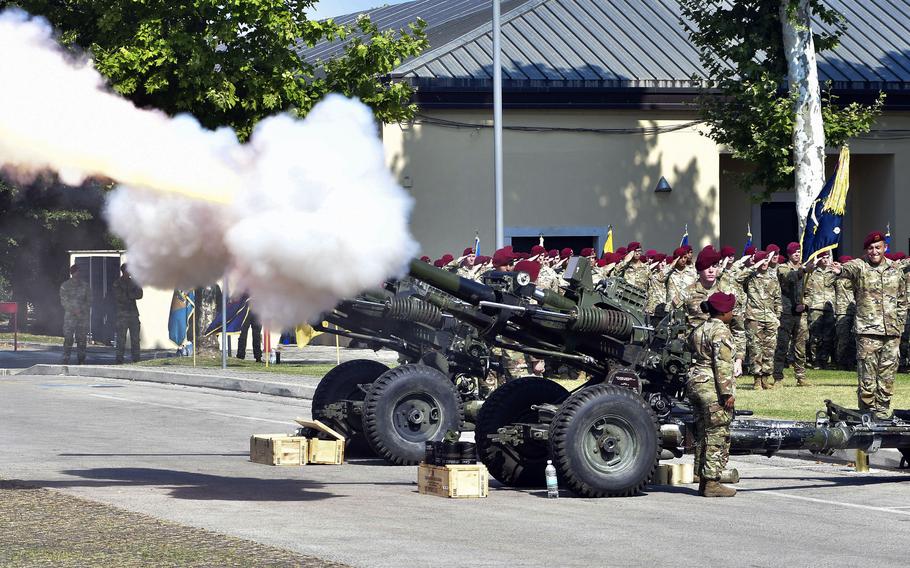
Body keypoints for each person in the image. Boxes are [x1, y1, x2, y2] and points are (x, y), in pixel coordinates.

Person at [831, 232, 908, 419]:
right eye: (871, 248)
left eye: (878, 247)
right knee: (867, 379)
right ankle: (866, 414)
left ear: (885, 248)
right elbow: (847, 269)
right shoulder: (860, 266)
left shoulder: (895, 269)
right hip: (868, 332)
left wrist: (899, 325)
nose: (874, 251)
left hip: (891, 332)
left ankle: (881, 413)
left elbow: (902, 300)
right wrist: (839, 270)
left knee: (887, 377)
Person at [687, 291, 738, 498]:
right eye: (731, 310)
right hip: (711, 387)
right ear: (724, 312)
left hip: (695, 383)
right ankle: (712, 482)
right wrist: (727, 393)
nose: (733, 314)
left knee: (702, 433)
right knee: (717, 433)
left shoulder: (699, 328)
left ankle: (702, 478)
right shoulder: (721, 332)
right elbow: (723, 364)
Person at [741, 251, 781, 389]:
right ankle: (757, 379)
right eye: (762, 261)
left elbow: (778, 299)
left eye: (766, 261)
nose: (764, 264)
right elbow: (736, 278)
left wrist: (778, 316)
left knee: (769, 349)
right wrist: (753, 266)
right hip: (754, 317)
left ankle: (765, 378)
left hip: (770, 318)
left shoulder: (773, 277)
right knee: (755, 349)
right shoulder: (750, 277)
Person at [773, 242, 811, 386]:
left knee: (800, 346)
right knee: (782, 345)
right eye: (794, 252)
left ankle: (800, 376)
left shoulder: (806, 269)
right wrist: (804, 270)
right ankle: (778, 377)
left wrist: (805, 305)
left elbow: (810, 290)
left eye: (798, 251)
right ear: (789, 254)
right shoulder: (783, 267)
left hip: (800, 314)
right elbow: (790, 277)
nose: (797, 254)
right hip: (786, 311)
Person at [805, 251, 837, 368]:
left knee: (828, 336)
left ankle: (824, 360)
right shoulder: (812, 272)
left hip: (829, 307)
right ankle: (815, 360)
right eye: (822, 257)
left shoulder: (833, 273)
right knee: (815, 335)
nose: (825, 260)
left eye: (827, 257)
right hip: (815, 307)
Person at [111, 263, 144, 363]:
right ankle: (119, 359)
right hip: (122, 315)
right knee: (121, 339)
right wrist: (130, 294)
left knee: (135, 339)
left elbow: (140, 294)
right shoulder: (117, 283)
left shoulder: (134, 282)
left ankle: (136, 359)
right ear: (124, 271)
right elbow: (119, 297)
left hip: (133, 315)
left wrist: (129, 294)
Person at [59, 264, 91, 365]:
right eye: (76, 271)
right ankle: (65, 358)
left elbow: (89, 300)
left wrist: (81, 309)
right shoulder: (65, 286)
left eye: (79, 271)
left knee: (81, 339)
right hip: (70, 317)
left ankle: (81, 359)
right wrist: (74, 310)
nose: (78, 273)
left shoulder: (85, 286)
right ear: (72, 273)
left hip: (82, 317)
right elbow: (64, 301)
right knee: (68, 338)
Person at [236, 297, 263, 363]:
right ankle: (240, 356)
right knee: (243, 334)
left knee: (257, 335)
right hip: (245, 310)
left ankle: (258, 356)